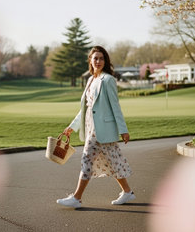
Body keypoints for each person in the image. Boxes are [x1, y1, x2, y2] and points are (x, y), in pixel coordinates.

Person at [56, 46, 135, 208]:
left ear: (105, 61)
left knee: (88, 160)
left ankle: (76, 198)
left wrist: (123, 130)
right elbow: (85, 108)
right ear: (90, 61)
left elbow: (115, 107)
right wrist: (73, 126)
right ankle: (127, 192)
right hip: (91, 128)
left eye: (101, 58)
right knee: (113, 162)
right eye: (95, 58)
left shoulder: (108, 80)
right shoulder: (91, 79)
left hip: (103, 130)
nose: (98, 61)